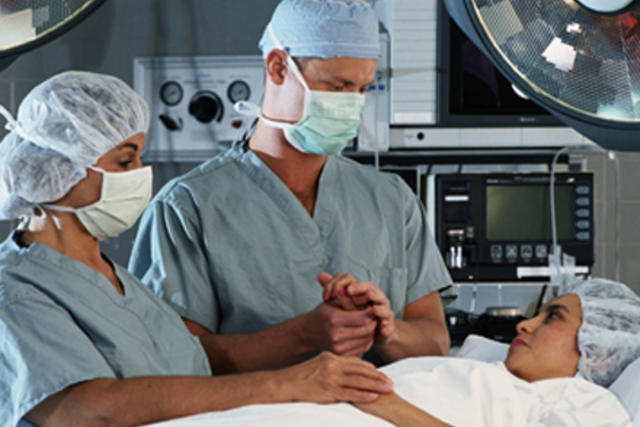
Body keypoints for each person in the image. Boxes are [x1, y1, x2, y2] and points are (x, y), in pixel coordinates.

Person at [0, 71, 394, 427]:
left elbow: (195, 367)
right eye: (124, 162)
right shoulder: (15, 292)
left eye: (140, 158)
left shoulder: (116, 282)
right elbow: (88, 409)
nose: (140, 175)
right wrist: (285, 384)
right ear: (58, 167)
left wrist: (316, 333)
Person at [129, 0, 454, 373]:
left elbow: (435, 344)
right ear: (278, 67)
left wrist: (388, 330)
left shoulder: (391, 200)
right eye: (338, 86)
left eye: (363, 89)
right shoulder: (189, 207)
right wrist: (305, 335)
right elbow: (176, 361)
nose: (352, 104)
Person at [147, 278, 639, 426]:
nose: (527, 322)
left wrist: (385, 404)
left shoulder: (585, 404)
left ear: (596, 352)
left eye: (553, 318)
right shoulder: (488, 373)